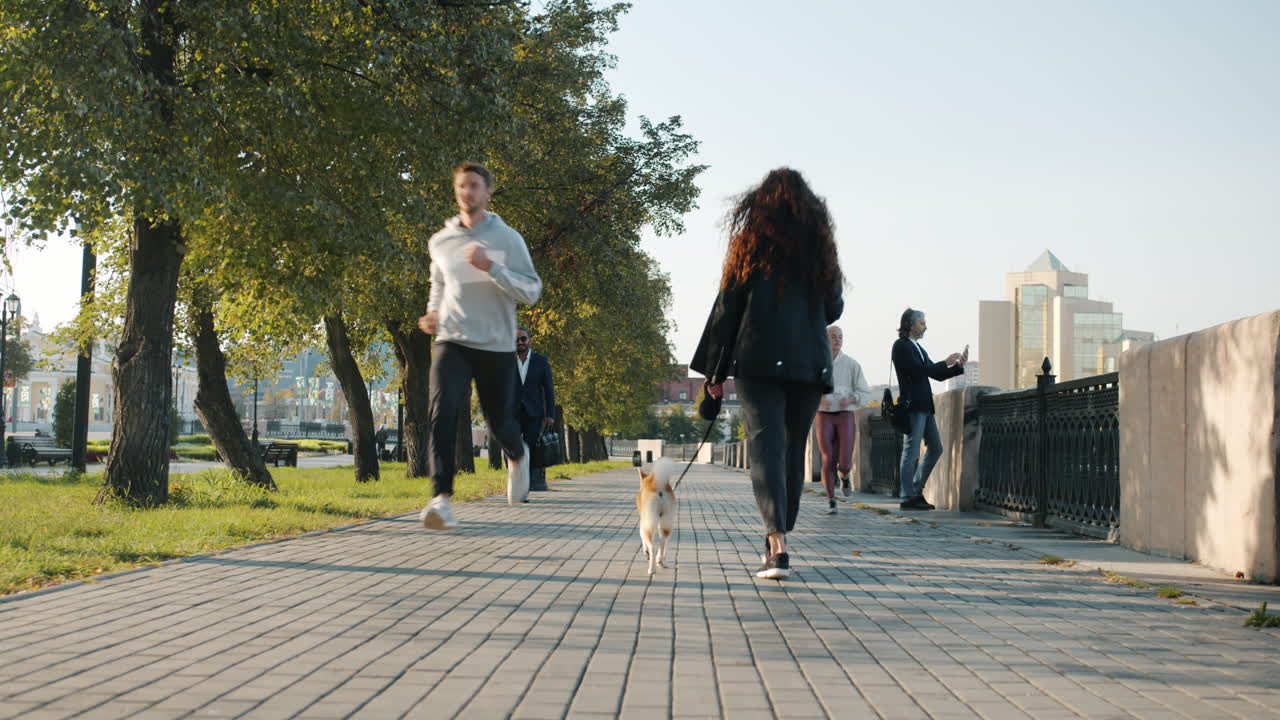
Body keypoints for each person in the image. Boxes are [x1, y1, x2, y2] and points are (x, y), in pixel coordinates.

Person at [692, 167, 843, 580]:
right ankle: (781, 538)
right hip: (809, 364)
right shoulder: (819, 248)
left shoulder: (750, 244)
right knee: (793, 450)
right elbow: (833, 308)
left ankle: (777, 546)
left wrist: (714, 372)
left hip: (759, 361)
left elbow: (728, 310)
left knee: (766, 449)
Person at [417, 162, 543, 530]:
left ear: (488, 192)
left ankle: (518, 453)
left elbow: (532, 291)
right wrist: (432, 314)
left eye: (474, 186)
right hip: (451, 339)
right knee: (442, 414)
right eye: (461, 186)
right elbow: (438, 285)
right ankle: (441, 500)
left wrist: (493, 268)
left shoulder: (508, 239)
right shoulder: (440, 241)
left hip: (496, 344)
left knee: (499, 422)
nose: (467, 192)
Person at [892, 308, 967, 510]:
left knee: (936, 448)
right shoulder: (901, 346)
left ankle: (915, 490)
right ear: (910, 324)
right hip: (913, 406)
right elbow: (919, 371)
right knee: (911, 452)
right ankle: (907, 497)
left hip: (926, 406)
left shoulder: (918, 348)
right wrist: (946, 361)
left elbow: (935, 374)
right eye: (922, 323)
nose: (925, 326)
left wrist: (957, 367)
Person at [815, 325, 871, 511]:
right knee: (827, 458)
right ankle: (831, 499)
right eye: (833, 336)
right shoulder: (816, 363)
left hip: (845, 415)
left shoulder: (852, 365)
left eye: (840, 336)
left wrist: (852, 398)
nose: (838, 339)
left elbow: (865, 392)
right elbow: (805, 389)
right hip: (823, 415)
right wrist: (819, 398)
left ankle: (845, 476)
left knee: (845, 461)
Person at [514, 327, 556, 491]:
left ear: (529, 340)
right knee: (512, 446)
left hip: (534, 412)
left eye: (523, 339)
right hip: (512, 412)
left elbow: (548, 389)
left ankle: (529, 483)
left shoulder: (541, 361)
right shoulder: (506, 360)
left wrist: (550, 414)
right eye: (516, 340)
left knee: (531, 447)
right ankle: (515, 480)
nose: (520, 342)